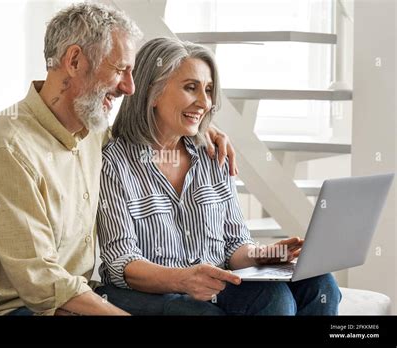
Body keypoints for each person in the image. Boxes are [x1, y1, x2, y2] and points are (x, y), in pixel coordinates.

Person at [0, 3, 236, 316]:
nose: (130, 87)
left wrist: (202, 129)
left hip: (80, 296)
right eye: (120, 70)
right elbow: (40, 280)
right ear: (74, 61)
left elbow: (144, 135)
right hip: (20, 308)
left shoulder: (92, 131)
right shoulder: (8, 148)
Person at [95, 37, 342, 315]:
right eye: (191, 88)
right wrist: (185, 279)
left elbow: (234, 246)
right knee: (274, 302)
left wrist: (268, 256)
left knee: (321, 285)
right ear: (152, 91)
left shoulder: (213, 156)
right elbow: (121, 263)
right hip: (146, 292)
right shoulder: (114, 163)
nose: (205, 102)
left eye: (209, 90)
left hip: (212, 283)